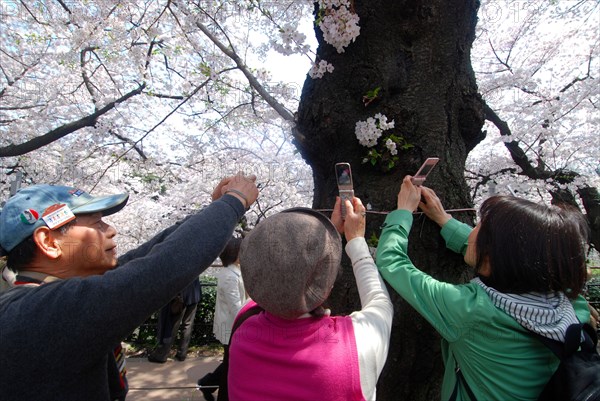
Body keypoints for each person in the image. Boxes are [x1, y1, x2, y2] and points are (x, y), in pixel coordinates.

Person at [0, 173, 258, 401]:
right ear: (49, 241)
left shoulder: (43, 299)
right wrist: (233, 202)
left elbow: (145, 259)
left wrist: (211, 210)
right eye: (96, 224)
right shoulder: (40, 314)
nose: (111, 230)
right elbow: (159, 269)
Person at [376, 175, 593, 401]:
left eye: (478, 230)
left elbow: (392, 262)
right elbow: (510, 259)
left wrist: (402, 212)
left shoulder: (471, 310)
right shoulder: (571, 303)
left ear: (494, 254)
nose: (471, 234)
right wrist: (444, 220)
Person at [227, 196, 393, 401]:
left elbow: (279, 276)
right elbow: (380, 301)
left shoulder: (242, 328)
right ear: (329, 287)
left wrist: (321, 242)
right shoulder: (357, 345)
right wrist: (356, 240)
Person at [197, 236, 247, 401]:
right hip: (231, 327)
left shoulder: (234, 271)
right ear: (234, 253)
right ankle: (211, 386)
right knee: (230, 364)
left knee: (230, 362)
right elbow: (236, 307)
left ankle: (208, 384)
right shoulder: (229, 275)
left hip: (232, 326)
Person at [147, 276, 202, 363]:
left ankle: (162, 355)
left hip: (180, 295)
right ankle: (182, 354)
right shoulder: (194, 261)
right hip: (193, 293)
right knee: (187, 325)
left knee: (172, 325)